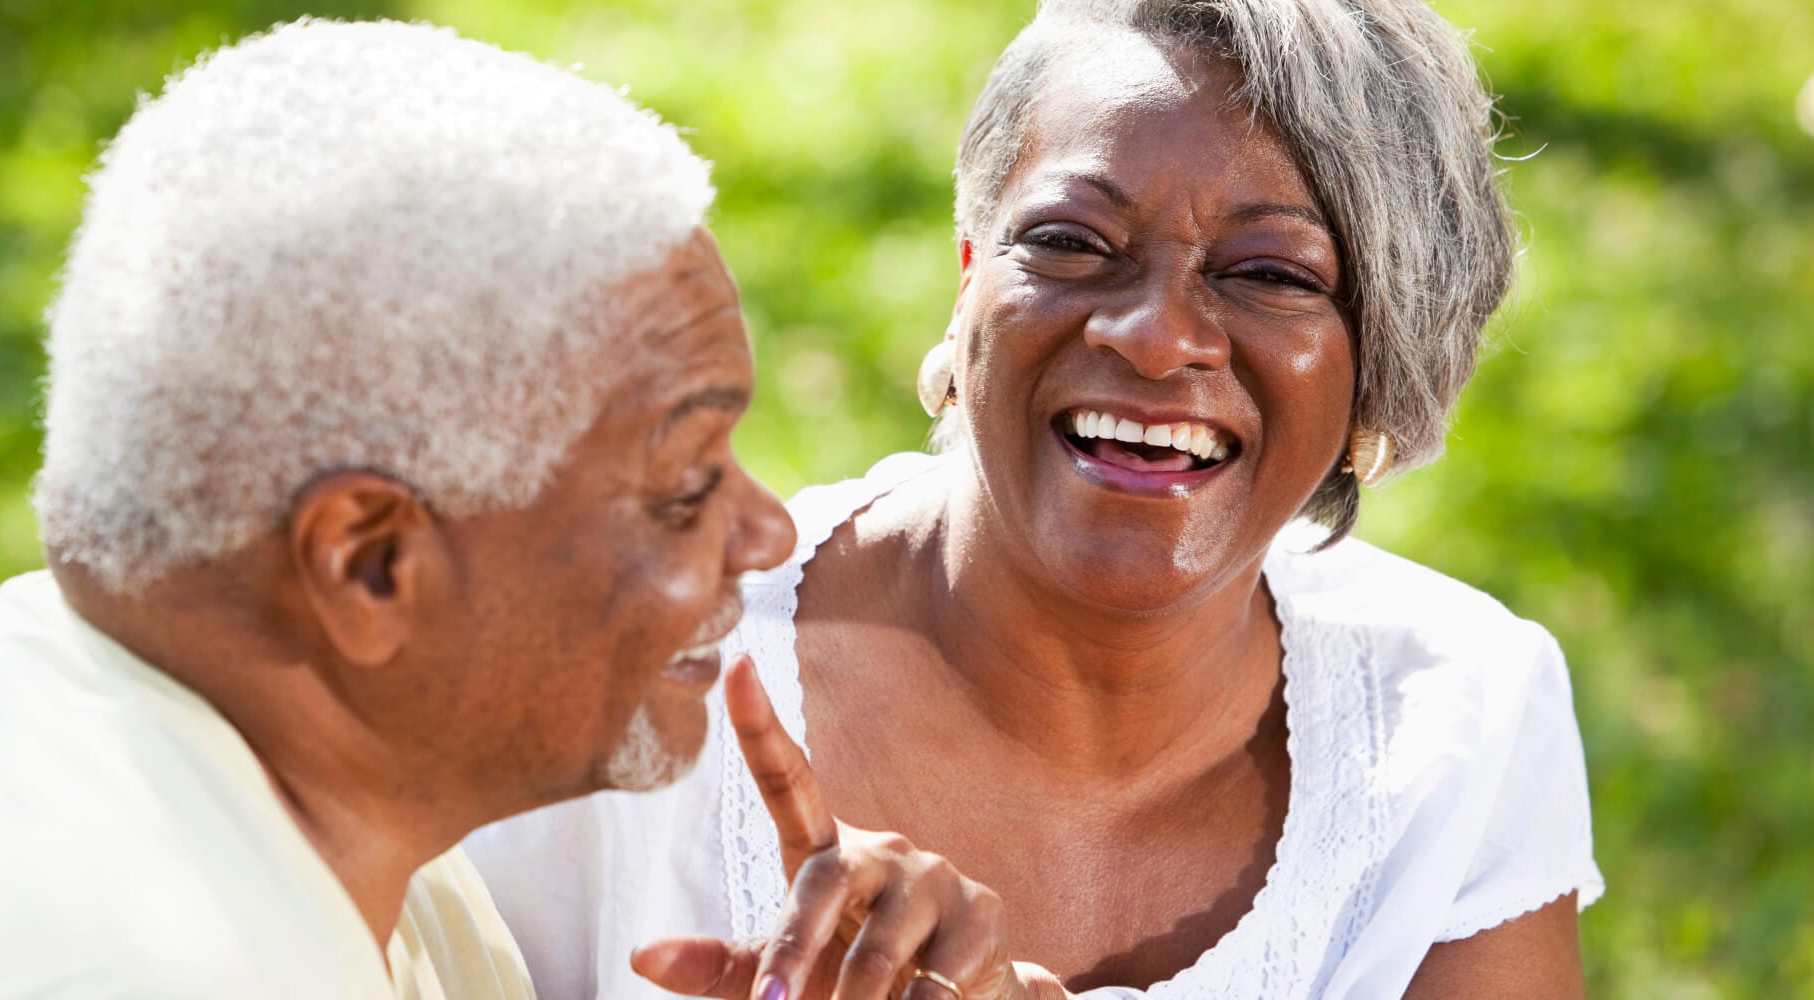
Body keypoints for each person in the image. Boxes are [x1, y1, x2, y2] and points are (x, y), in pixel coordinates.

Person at [0, 19, 1036, 1000]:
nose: (765, 533)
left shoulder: (137, 709)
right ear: (368, 565)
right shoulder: (127, 958)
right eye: (679, 491)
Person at [466, 0, 1604, 996]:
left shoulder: (1456, 719)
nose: (1154, 337)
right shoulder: (634, 680)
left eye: (1267, 273)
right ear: (968, 286)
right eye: (1070, 243)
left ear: (1382, 358)